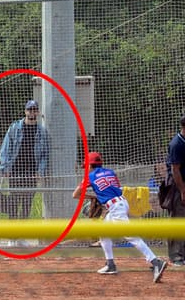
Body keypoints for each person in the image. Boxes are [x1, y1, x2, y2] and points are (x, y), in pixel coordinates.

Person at [73, 151, 167, 281]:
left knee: (131, 236)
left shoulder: (90, 176)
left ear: (90, 165)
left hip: (116, 208)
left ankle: (156, 262)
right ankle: (110, 264)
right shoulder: (111, 172)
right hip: (121, 203)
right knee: (103, 232)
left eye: (87, 166)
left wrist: (93, 197)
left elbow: (75, 195)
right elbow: (114, 189)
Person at [0, 99, 50, 225]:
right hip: (16, 171)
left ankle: (21, 233)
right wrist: (5, 168)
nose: (32, 112)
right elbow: (5, 148)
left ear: (37, 112)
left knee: (27, 204)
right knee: (13, 202)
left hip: (31, 173)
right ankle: (12, 235)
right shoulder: (15, 127)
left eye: (34, 110)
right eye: (29, 109)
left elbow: (44, 154)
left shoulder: (42, 132)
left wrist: (40, 172)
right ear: (25, 111)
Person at [165, 114, 185, 266]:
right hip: (178, 185)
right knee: (177, 219)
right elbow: (175, 170)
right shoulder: (177, 144)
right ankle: (175, 256)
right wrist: (183, 191)